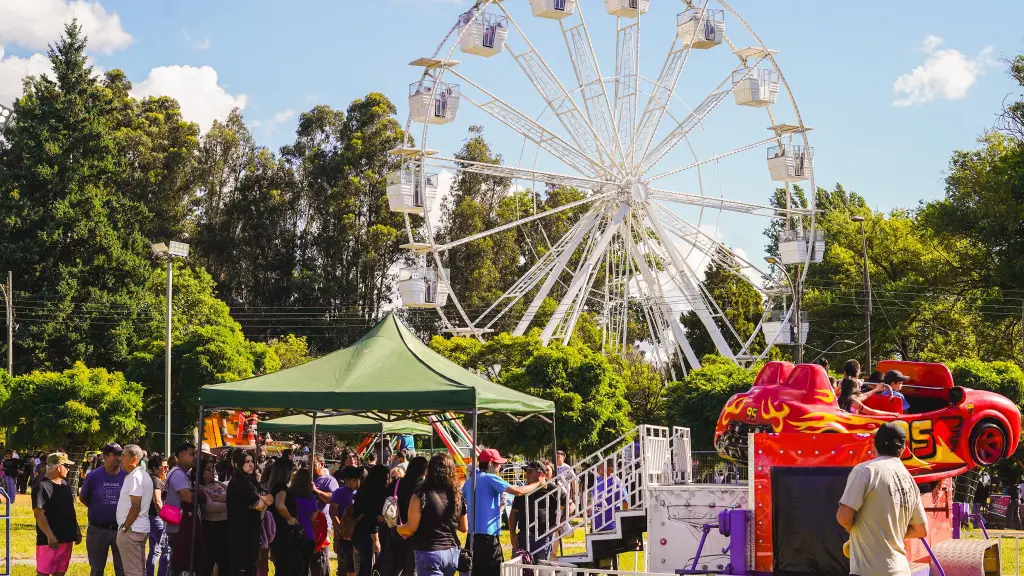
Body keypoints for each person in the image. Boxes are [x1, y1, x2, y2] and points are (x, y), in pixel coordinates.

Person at [837, 422, 927, 576]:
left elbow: (843, 517)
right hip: (901, 570)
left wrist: (854, 529)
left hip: (868, 571)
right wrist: (888, 532)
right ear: (904, 449)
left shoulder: (865, 471)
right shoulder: (909, 480)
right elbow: (921, 529)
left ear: (874, 445)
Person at [462, 449, 541, 576]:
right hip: (488, 537)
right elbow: (518, 491)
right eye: (497, 464)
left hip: (471, 537)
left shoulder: (470, 481)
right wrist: (538, 483)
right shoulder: (491, 478)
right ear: (490, 463)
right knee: (495, 571)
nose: (500, 467)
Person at [397, 454, 467, 576]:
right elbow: (463, 527)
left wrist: (397, 529)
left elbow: (411, 528)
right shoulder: (457, 495)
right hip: (452, 553)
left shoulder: (420, 494)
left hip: (430, 552)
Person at [80, 442, 127, 576]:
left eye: (120, 454)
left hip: (120, 529)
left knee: (122, 570)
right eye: (115, 454)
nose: (118, 457)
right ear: (105, 457)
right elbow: (83, 498)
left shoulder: (126, 476)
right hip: (98, 530)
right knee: (96, 570)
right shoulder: (93, 476)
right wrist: (99, 508)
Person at [228, 450, 274, 576]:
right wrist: (261, 501)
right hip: (241, 536)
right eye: (247, 462)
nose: (251, 464)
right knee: (242, 570)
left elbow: (270, 498)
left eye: (252, 461)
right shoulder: (238, 482)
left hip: (252, 534)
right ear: (238, 464)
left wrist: (261, 500)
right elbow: (259, 505)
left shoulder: (252, 482)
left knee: (252, 567)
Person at [34, 453, 82, 576]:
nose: (69, 469)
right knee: (43, 573)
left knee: (60, 573)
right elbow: (39, 514)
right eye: (66, 465)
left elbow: (70, 510)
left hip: (66, 538)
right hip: (49, 541)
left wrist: (76, 530)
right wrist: (50, 536)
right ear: (58, 466)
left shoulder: (65, 485)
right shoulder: (41, 486)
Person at [384, 456, 428, 576]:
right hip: (416, 531)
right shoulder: (423, 487)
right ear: (424, 471)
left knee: (396, 565)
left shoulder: (397, 483)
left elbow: (386, 498)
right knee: (412, 568)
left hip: (396, 528)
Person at [166, 443, 203, 576]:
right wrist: (199, 492)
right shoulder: (178, 474)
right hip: (179, 527)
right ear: (181, 455)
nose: (195, 458)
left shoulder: (180, 473)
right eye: (192, 454)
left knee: (179, 564)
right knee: (178, 564)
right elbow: (187, 497)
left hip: (179, 526)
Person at [508, 462, 558, 561]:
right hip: (523, 535)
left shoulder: (552, 489)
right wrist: (512, 534)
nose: (526, 474)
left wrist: (559, 523)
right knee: (521, 567)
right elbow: (514, 513)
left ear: (540, 474)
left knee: (541, 567)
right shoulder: (523, 490)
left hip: (543, 536)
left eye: (529, 471)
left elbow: (570, 505)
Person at [116, 445, 153, 576]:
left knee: (133, 572)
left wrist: (125, 528)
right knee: (139, 571)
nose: (121, 459)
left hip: (132, 530)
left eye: (124, 456)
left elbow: (135, 506)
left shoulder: (135, 477)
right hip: (136, 529)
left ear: (135, 459)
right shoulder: (139, 475)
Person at [268, 458, 303, 576]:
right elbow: (280, 505)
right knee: (289, 567)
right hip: (284, 533)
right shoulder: (281, 487)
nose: (294, 473)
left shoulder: (274, 486)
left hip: (278, 533)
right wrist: (290, 519)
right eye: (292, 470)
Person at [352, 465, 389, 576]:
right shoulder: (377, 493)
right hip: (371, 536)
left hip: (359, 533)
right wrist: (376, 540)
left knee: (363, 567)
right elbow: (372, 517)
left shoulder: (362, 489)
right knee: (371, 568)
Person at [330, 466, 363, 576]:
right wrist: (342, 530)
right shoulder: (338, 492)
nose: (356, 482)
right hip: (345, 534)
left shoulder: (361, 492)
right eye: (353, 480)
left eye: (357, 479)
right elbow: (332, 512)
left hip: (359, 533)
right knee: (349, 565)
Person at [311, 454, 339, 576]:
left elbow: (333, 498)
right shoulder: (309, 478)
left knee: (321, 559)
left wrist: (316, 491)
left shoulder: (329, 480)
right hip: (307, 525)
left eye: (313, 465)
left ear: (321, 464)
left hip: (321, 527)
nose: (309, 467)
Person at [199, 459, 228, 576]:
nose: (212, 471)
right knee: (208, 563)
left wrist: (226, 499)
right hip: (211, 528)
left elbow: (234, 500)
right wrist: (228, 501)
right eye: (208, 469)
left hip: (225, 526)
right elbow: (211, 507)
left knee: (225, 563)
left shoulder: (220, 484)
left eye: (213, 469)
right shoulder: (200, 487)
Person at [146, 455, 169, 576]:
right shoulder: (155, 480)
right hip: (156, 519)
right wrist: (166, 517)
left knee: (154, 550)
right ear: (154, 468)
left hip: (151, 518)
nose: (166, 470)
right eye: (164, 467)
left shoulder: (152, 478)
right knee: (167, 550)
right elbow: (158, 501)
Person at [591, 461, 627, 533]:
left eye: (601, 466)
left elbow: (625, 502)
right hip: (597, 524)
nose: (598, 468)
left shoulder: (615, 482)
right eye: (598, 466)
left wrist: (624, 521)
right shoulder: (598, 480)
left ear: (610, 469)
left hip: (610, 525)